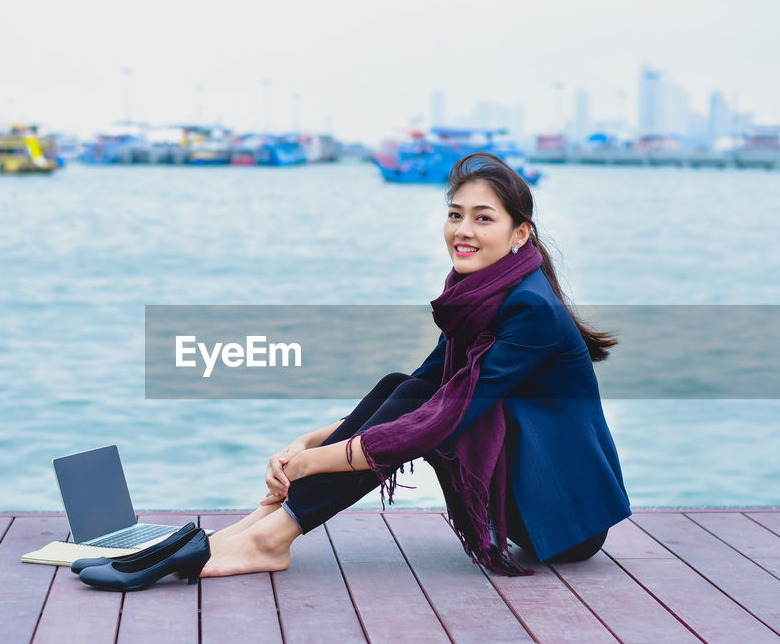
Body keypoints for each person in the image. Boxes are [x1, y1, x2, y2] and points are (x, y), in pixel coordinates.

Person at [199, 151, 632, 578]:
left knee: (423, 408)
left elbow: (446, 415)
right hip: (530, 493)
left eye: (483, 218)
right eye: (455, 215)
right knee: (402, 386)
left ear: (520, 233)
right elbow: (423, 383)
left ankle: (271, 537)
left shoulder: (531, 310)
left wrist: (313, 463)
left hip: (565, 521)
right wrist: (307, 443)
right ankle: (262, 527)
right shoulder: (477, 292)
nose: (463, 231)